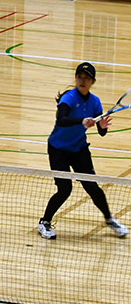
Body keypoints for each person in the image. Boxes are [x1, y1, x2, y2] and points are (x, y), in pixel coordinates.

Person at [37, 61, 128, 240]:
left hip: (78, 149)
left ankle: (109, 219)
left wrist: (102, 126)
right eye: (79, 77)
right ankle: (44, 222)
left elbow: (101, 132)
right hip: (58, 149)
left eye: (86, 78)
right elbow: (62, 119)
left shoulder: (95, 102)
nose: (82, 81)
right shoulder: (69, 98)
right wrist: (81, 121)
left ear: (92, 81)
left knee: (92, 187)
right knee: (64, 189)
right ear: (76, 78)